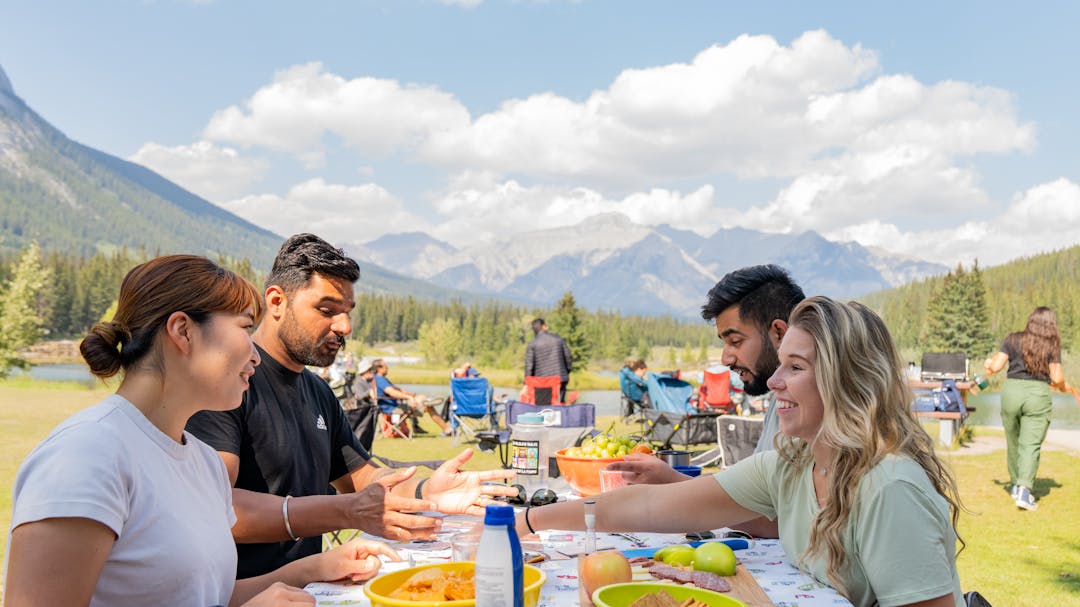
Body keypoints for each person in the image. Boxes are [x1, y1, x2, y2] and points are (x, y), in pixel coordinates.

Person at [5, 255, 400, 607]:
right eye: (246, 328)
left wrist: (313, 568)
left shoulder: (200, 461)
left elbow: (206, 595)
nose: (254, 353)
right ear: (183, 331)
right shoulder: (85, 457)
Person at [518, 297, 965, 607]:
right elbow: (649, 504)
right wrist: (524, 522)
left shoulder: (889, 489)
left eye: (797, 367)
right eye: (781, 363)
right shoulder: (792, 466)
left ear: (848, 379)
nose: (774, 383)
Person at [187, 233, 515, 579]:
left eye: (347, 312)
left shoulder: (317, 391)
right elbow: (218, 507)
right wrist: (345, 511)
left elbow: (363, 479)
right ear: (276, 301)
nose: (344, 327)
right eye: (326, 310)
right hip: (245, 593)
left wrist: (426, 492)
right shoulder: (227, 385)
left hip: (314, 589)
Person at [609, 265, 804, 490]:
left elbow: (774, 513)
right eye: (724, 343)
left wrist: (671, 482)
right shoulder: (779, 396)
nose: (726, 359)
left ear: (779, 332)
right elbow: (753, 490)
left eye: (736, 341)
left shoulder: (813, 410)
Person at [983, 306, 1071, 510]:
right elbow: (1057, 378)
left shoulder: (1012, 339)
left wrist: (989, 362)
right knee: (1030, 444)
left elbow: (995, 367)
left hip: (1012, 391)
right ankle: (1024, 490)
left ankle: (1014, 484)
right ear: (1051, 324)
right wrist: (1063, 385)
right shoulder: (1052, 344)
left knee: (1013, 440)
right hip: (1038, 395)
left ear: (1031, 320)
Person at [372, 358, 452, 436]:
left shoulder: (380, 379)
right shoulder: (380, 379)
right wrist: (409, 397)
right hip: (393, 409)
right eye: (386, 366)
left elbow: (398, 389)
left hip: (396, 406)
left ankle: (425, 401)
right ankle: (446, 429)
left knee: (421, 399)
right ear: (379, 368)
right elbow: (392, 392)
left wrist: (411, 395)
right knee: (428, 406)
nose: (387, 367)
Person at [524, 317, 572, 402]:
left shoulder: (532, 344)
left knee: (542, 408)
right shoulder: (558, 339)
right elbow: (568, 357)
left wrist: (526, 384)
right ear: (543, 327)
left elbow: (529, 367)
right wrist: (566, 372)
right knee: (559, 407)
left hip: (540, 383)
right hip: (560, 380)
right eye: (546, 326)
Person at [343, 357, 379, 452]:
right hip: (361, 413)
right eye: (371, 370)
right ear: (366, 371)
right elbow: (359, 396)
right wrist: (369, 392)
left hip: (368, 411)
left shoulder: (367, 382)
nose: (372, 372)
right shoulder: (359, 381)